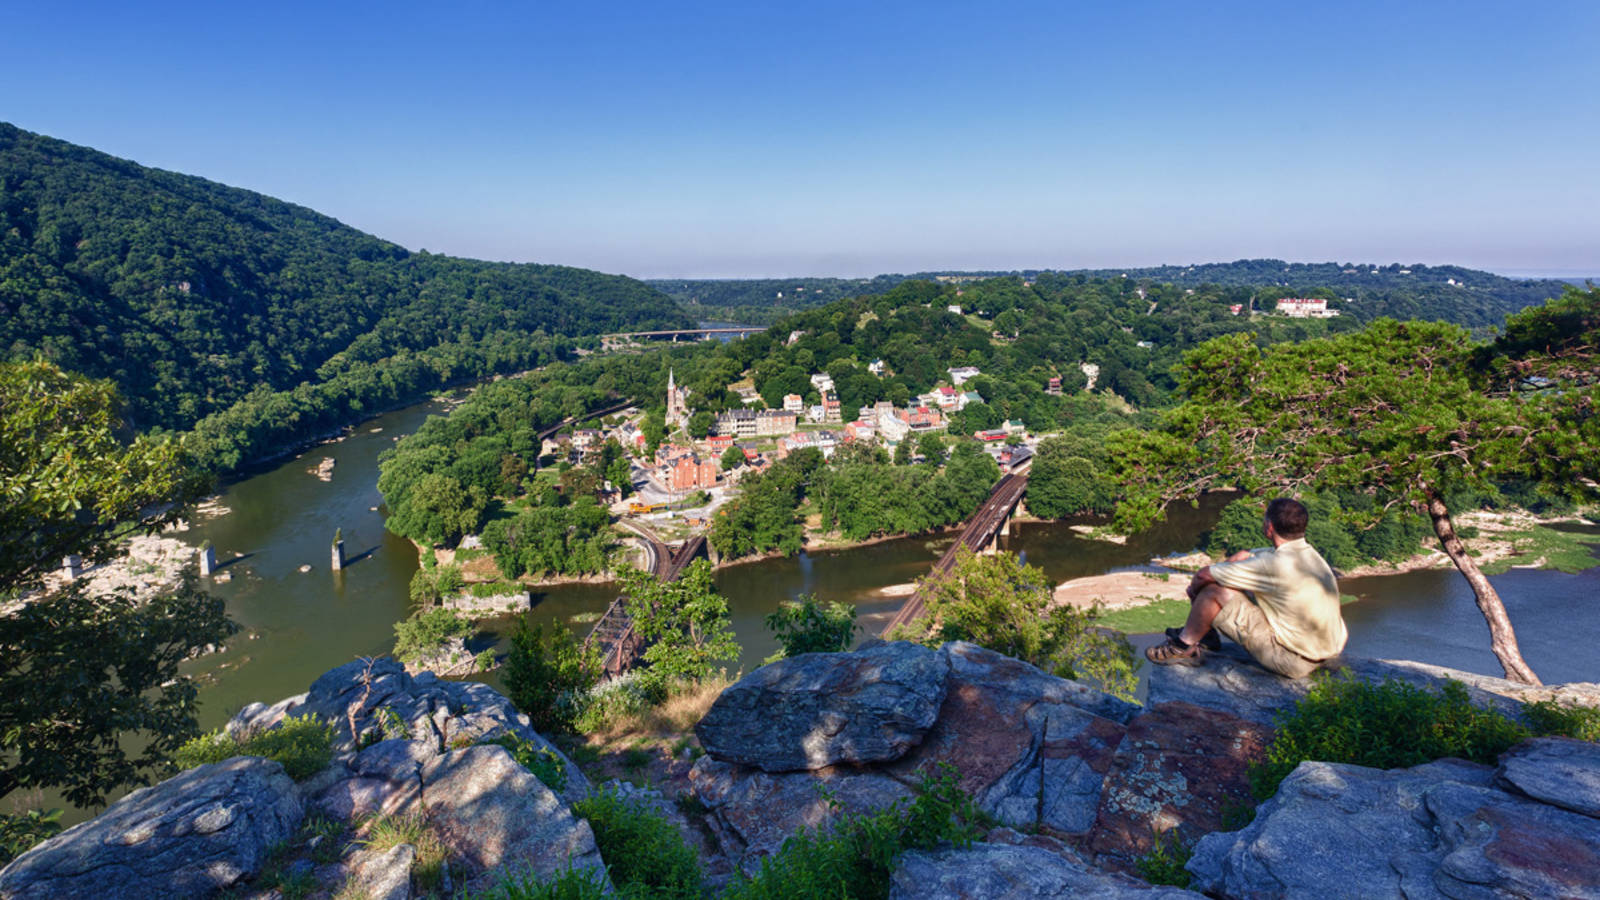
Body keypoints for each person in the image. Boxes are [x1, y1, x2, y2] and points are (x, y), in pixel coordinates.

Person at [1145, 497, 1347, 677]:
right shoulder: (1309, 555)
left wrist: (1195, 593)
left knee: (1213, 592)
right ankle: (1205, 635)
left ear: (1269, 527)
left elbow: (1203, 575)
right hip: (1323, 651)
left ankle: (1183, 647)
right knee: (1224, 580)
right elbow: (1248, 555)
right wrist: (1239, 560)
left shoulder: (1272, 565)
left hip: (1293, 660)